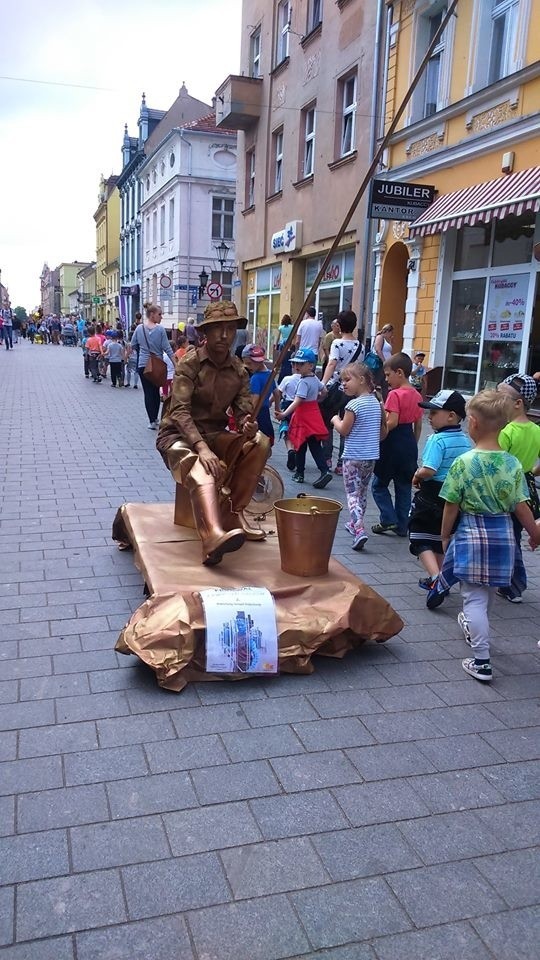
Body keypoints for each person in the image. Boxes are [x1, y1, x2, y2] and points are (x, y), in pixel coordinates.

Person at [432, 391, 540, 682]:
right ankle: (477, 632)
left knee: (473, 599)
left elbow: (451, 503)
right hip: (504, 535)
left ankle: (481, 660)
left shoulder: (464, 463)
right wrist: (534, 533)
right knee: (488, 594)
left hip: (472, 533)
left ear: (475, 423)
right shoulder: (513, 465)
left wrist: (444, 536)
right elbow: (521, 506)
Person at [156, 300, 270, 566]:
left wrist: (246, 424)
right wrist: (202, 448)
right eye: (217, 329)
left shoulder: (239, 370)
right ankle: (211, 538)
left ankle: (233, 512)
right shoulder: (190, 363)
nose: (224, 335)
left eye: (230, 329)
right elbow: (179, 412)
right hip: (178, 435)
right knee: (199, 464)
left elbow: (242, 412)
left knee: (260, 442)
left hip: (214, 433)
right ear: (205, 333)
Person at [410, 390, 472, 595]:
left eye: (435, 413)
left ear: (452, 416)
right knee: (440, 538)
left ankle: (437, 577)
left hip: (432, 495)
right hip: (453, 496)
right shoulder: (464, 440)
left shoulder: (437, 440)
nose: (430, 417)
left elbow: (429, 469)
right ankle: (441, 576)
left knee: (419, 537)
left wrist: (417, 475)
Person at [331, 362, 385, 551]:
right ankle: (354, 523)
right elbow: (381, 431)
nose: (343, 384)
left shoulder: (353, 404)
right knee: (362, 490)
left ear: (361, 380)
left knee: (352, 493)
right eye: (342, 381)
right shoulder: (376, 402)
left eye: (347, 379)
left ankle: (359, 529)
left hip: (353, 456)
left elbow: (345, 431)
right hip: (370, 457)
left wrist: (335, 420)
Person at [495, 374, 540, 603]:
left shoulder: (507, 432)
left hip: (507, 488)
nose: (496, 399)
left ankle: (514, 584)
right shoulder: (536, 430)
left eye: (501, 396)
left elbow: (498, 463)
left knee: (508, 537)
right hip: (527, 486)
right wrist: (531, 469)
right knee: (513, 533)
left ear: (517, 403)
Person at [372, 352, 423, 537]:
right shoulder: (417, 395)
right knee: (404, 487)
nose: (386, 380)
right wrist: (414, 446)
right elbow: (418, 426)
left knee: (378, 484)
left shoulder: (395, 394)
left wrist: (379, 430)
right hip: (408, 442)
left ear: (399, 372)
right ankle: (403, 525)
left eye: (388, 375)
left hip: (391, 443)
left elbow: (391, 422)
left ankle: (388, 518)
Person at [275, 347, 332, 488]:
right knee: (315, 445)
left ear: (310, 365)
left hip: (303, 416)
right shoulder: (314, 379)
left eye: (300, 364)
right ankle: (324, 470)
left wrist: (283, 414)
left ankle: (300, 474)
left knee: (300, 445)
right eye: (295, 364)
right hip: (314, 413)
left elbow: (297, 401)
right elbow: (324, 391)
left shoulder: (303, 382)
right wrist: (318, 399)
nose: (296, 366)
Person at [321, 309, 363, 473]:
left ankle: (327, 459)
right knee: (347, 426)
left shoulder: (337, 343)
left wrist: (323, 383)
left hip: (335, 388)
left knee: (329, 422)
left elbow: (332, 364)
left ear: (339, 325)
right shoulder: (360, 346)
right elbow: (360, 368)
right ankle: (341, 463)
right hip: (352, 390)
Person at [130, 303, 174, 429]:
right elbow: (167, 348)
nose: (161, 317)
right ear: (152, 314)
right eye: (160, 314)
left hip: (143, 365)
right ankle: (156, 418)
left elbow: (133, 344)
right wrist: (176, 363)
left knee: (148, 393)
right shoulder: (160, 330)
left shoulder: (139, 328)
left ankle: (151, 421)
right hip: (157, 366)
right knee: (155, 392)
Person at [241, 344, 280, 446]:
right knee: (267, 435)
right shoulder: (270, 374)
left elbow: (255, 398)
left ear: (259, 361)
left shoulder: (255, 378)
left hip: (257, 411)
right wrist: (277, 408)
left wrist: (249, 413)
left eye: (249, 363)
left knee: (255, 438)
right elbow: (276, 393)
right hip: (265, 411)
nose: (247, 367)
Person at [277, 363, 302, 471]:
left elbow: (278, 392)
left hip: (288, 408)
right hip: (301, 408)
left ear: (292, 366)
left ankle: (290, 450)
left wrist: (273, 404)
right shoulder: (309, 379)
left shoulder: (287, 379)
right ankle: (297, 450)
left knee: (287, 432)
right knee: (298, 432)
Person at [275, 314, 294, 380]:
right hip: (289, 344)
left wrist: (276, 345)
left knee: (282, 359)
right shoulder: (292, 327)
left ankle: (282, 376)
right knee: (289, 359)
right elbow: (294, 336)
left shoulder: (281, 327)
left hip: (282, 344)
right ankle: (288, 373)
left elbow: (278, 337)